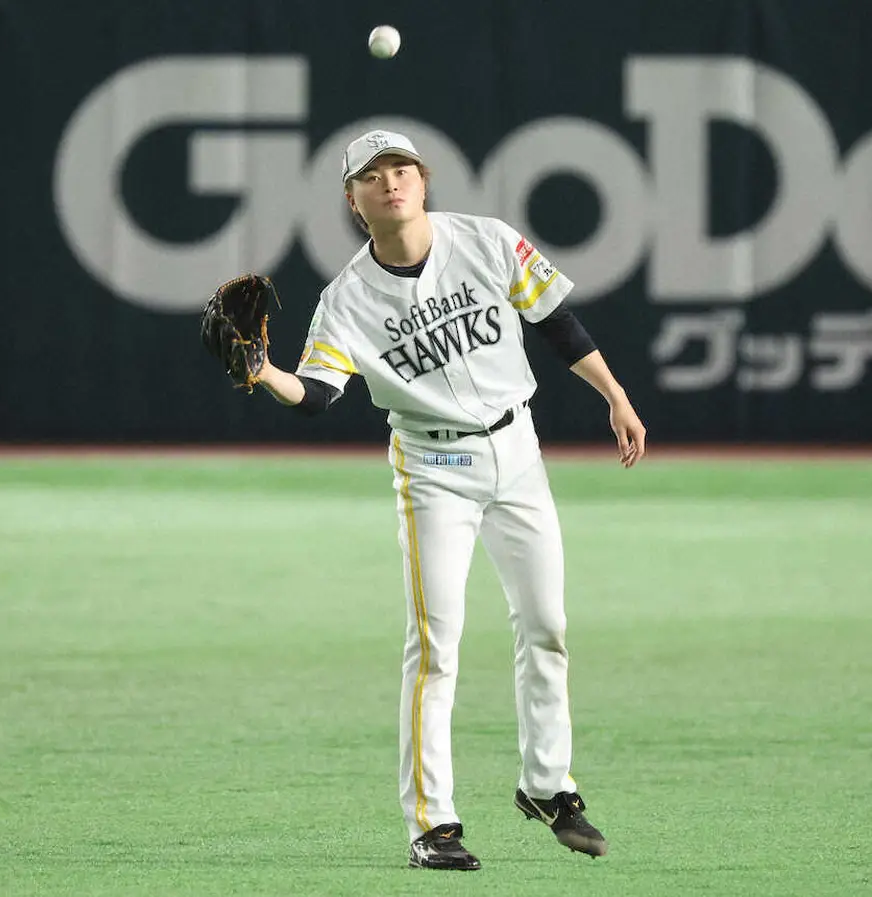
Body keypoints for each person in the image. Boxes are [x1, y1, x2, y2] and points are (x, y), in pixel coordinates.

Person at [254, 129, 646, 871]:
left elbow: (557, 324)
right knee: (436, 645)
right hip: (433, 468)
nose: (390, 182)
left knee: (547, 625)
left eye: (401, 168)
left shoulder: (487, 241)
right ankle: (432, 824)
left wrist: (616, 396)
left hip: (518, 449)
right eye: (373, 175)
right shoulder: (346, 300)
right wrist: (266, 374)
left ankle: (548, 786)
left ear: (424, 179)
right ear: (353, 200)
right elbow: (319, 393)